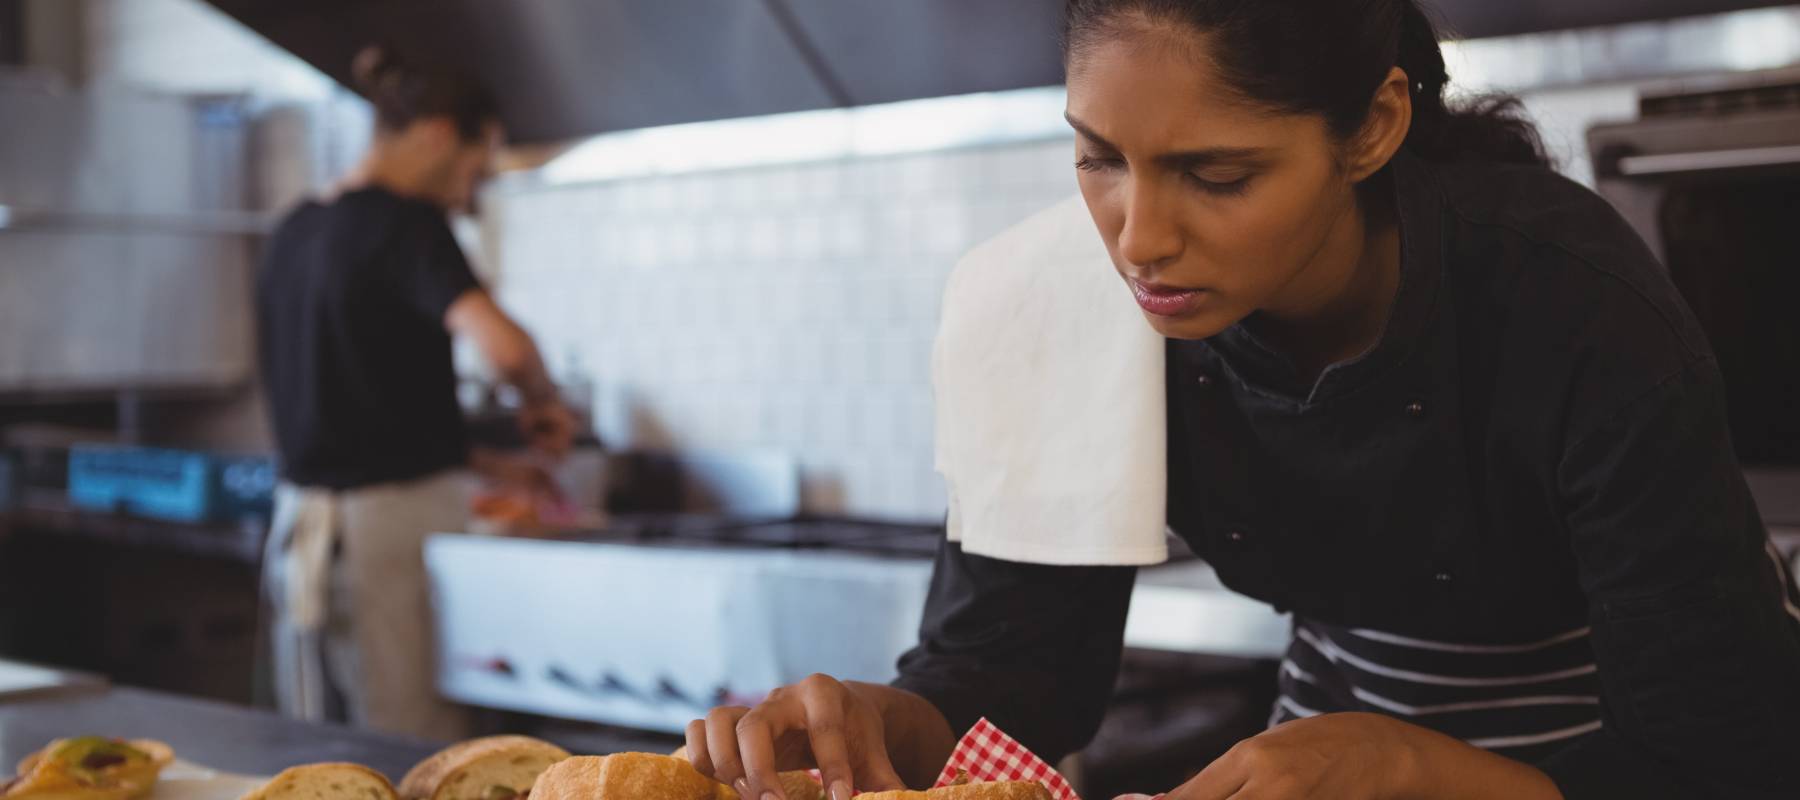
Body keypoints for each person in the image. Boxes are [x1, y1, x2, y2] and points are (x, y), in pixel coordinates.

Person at [686, 1, 1800, 799]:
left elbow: (1723, 756)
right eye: (1098, 158)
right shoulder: (1053, 299)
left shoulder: (1573, 302)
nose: (1138, 237)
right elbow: (1013, 673)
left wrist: (1415, 762)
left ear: (1371, 128)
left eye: (1217, 176)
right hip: (1330, 744)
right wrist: (879, 726)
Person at [256, 46, 574, 739]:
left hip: (301, 527)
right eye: (474, 165)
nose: (471, 190)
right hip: (385, 539)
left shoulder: (294, 230)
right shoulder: (409, 226)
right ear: (436, 134)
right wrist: (544, 403)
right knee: (408, 741)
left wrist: (488, 464)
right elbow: (507, 347)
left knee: (316, 744)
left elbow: (356, 407)